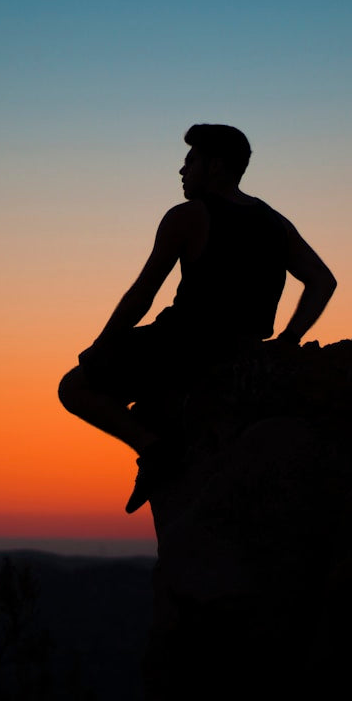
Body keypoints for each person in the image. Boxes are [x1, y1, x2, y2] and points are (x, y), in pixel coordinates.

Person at [58, 124, 337, 514]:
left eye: (191, 160)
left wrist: (103, 345)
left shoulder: (188, 216)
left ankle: (154, 450)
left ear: (216, 166)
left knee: (73, 388)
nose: (182, 170)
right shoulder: (275, 222)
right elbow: (323, 281)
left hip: (181, 344)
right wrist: (288, 341)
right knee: (141, 398)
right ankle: (163, 434)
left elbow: (142, 294)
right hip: (241, 350)